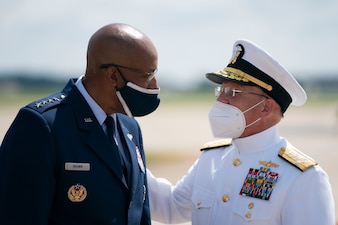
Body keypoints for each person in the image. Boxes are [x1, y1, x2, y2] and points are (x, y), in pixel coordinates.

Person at [147, 39, 335, 224]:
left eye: (232, 93)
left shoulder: (303, 178)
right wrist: (126, 154)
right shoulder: (211, 159)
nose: (221, 100)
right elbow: (171, 207)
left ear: (265, 108)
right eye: (220, 91)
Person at [0, 23, 160, 225]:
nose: (155, 86)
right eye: (148, 76)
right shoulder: (42, 125)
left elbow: (139, 213)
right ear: (113, 75)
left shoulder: (130, 127)